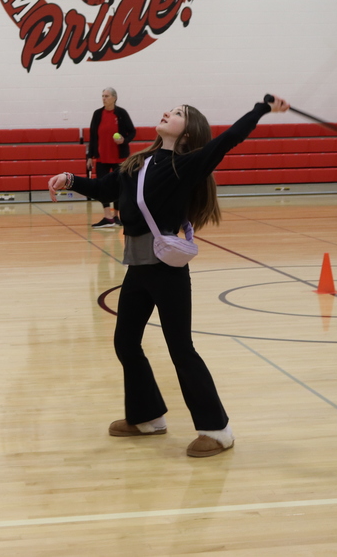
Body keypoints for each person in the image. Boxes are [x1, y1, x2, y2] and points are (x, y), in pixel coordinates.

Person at [49, 94, 291, 457]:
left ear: (189, 132)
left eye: (178, 113)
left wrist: (261, 108)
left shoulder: (186, 165)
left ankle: (218, 430)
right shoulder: (138, 162)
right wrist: (69, 179)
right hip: (137, 269)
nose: (168, 112)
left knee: (181, 350)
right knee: (125, 343)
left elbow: (229, 139)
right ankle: (148, 418)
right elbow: (104, 189)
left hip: (166, 272)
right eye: (170, 109)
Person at [86, 87, 136, 228]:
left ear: (114, 97)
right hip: (102, 158)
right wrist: (90, 156)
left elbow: (132, 132)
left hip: (119, 158)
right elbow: (93, 136)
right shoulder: (97, 114)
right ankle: (107, 216)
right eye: (102, 96)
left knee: (120, 187)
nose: (104, 98)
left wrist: (124, 140)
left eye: (106, 96)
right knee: (102, 186)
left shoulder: (121, 113)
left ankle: (117, 216)